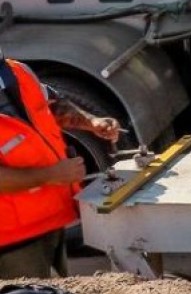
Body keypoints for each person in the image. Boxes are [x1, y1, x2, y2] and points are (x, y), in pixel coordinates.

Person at [0, 54, 121, 278]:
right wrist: (50, 175)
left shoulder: (16, 71)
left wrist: (91, 122)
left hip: (50, 222)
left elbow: (52, 105)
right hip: (11, 242)